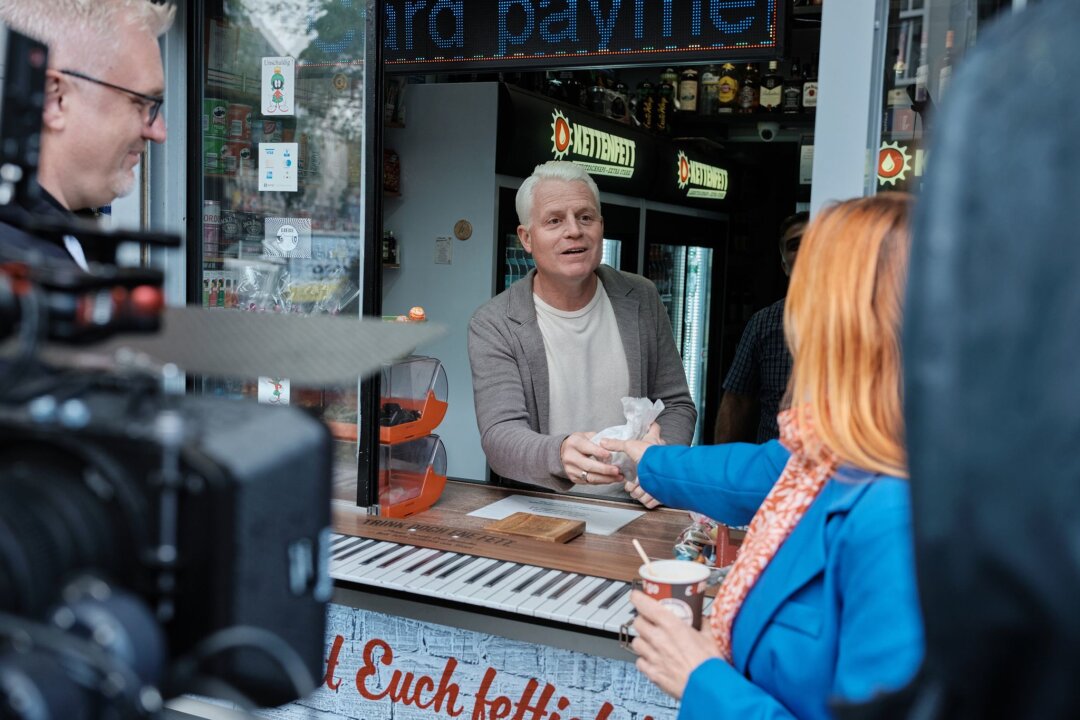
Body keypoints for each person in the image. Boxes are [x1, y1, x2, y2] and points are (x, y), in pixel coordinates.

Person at [600, 194, 923, 717]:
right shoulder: (841, 450)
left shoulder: (900, 520)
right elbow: (755, 472)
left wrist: (700, 679)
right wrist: (648, 459)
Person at [468, 160, 696, 501]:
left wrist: (659, 463)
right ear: (526, 238)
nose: (574, 231)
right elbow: (500, 437)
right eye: (554, 220)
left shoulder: (641, 297)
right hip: (544, 514)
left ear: (601, 227)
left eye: (585, 217)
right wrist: (558, 454)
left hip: (637, 507)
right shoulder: (495, 323)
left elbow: (677, 404)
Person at [0, 0, 174, 268]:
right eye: (142, 103)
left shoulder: (42, 247)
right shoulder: (25, 276)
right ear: (55, 99)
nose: (158, 132)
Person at [713, 211, 808, 444]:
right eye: (795, 244)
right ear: (784, 265)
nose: (806, 250)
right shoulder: (764, 324)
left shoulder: (862, 321)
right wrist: (722, 470)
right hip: (771, 472)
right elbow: (736, 402)